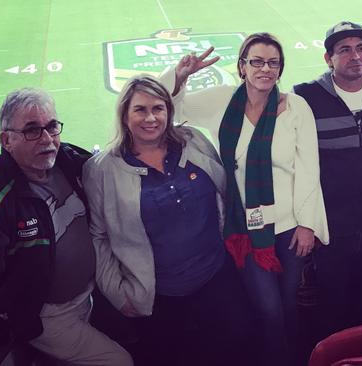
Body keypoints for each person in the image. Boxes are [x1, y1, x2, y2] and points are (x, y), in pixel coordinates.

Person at [160, 33, 328, 366]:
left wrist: (308, 224)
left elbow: (309, 168)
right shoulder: (222, 101)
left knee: (289, 306)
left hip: (291, 227)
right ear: (242, 66)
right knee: (268, 309)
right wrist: (180, 75)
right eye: (257, 61)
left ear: (280, 69)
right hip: (246, 230)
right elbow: (167, 107)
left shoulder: (296, 107)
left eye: (273, 62)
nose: (265, 69)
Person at [83, 75, 257, 366]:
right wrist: (119, 293)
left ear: (169, 111)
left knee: (234, 348)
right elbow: (98, 236)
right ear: (124, 115)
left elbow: (225, 195)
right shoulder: (102, 170)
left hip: (217, 278)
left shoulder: (194, 142)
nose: (151, 117)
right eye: (140, 109)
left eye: (158, 108)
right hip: (157, 296)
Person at [0, 88, 131, 365]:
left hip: (90, 294)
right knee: (119, 361)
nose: (47, 139)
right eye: (32, 130)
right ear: (6, 140)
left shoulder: (69, 161)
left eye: (51, 127)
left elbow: (118, 166)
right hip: (45, 316)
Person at [292, 20, 362, 337]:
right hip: (331, 222)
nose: (355, 56)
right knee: (331, 300)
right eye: (344, 50)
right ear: (328, 58)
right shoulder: (306, 97)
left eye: (361, 48)